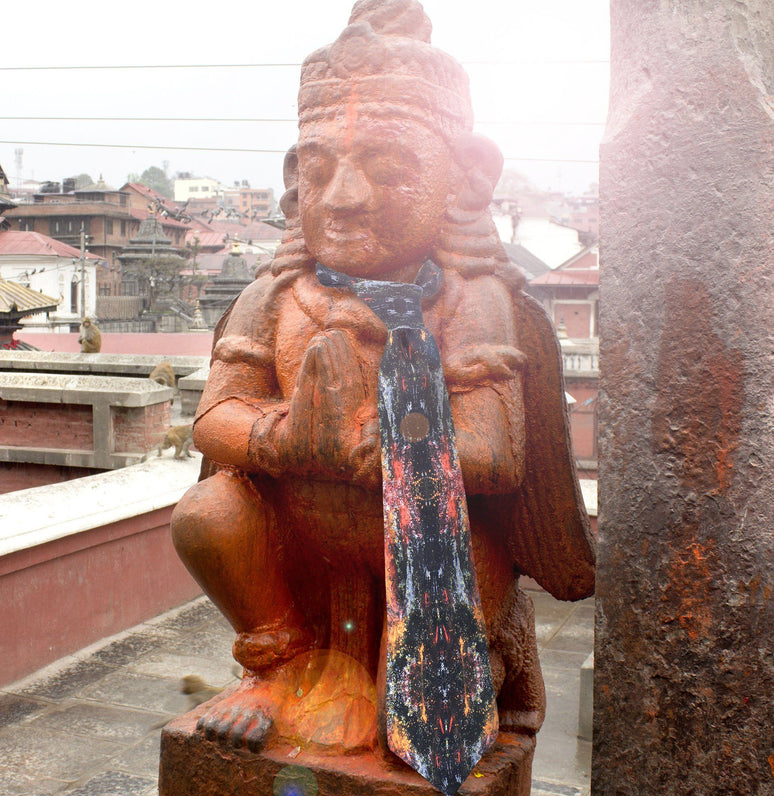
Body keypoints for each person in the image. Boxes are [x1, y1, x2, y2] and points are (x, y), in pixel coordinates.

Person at [171, 0, 594, 755]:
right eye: (322, 169)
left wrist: (390, 443)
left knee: (421, 738)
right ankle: (281, 659)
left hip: (426, 533)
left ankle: (455, 672)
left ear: (466, 178)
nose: (344, 198)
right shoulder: (276, 295)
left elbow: (495, 452)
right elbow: (215, 420)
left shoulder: (472, 301)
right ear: (297, 179)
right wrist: (285, 437)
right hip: (300, 532)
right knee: (209, 512)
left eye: (389, 169)